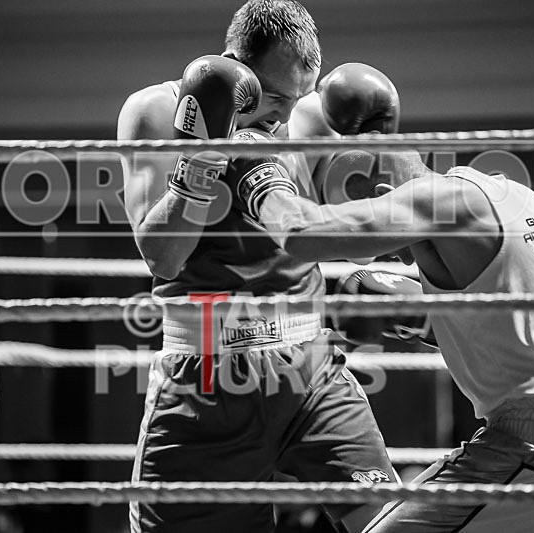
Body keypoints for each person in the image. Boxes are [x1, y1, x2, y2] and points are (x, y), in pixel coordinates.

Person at [226, 145, 534, 531]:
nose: (392, 256)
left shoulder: (435, 199)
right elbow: (522, 330)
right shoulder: (511, 196)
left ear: (391, 195)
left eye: (386, 240)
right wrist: (411, 316)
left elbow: (304, 235)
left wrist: (260, 177)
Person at [117, 1, 400, 532]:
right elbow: (162, 256)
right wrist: (200, 163)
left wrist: (378, 153)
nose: (284, 117)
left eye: (297, 98)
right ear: (235, 67)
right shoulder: (154, 112)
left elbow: (361, 247)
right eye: (272, 97)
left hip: (309, 368)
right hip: (204, 379)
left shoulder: (310, 119)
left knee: (390, 522)